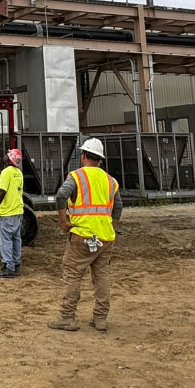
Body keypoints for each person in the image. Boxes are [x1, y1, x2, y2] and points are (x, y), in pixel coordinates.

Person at [48, 137, 122, 333]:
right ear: (100, 159)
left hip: (82, 235)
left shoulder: (77, 176)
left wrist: (64, 221)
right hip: (105, 237)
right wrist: (110, 225)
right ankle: (100, 319)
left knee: (72, 274)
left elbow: (61, 195)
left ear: (83, 156)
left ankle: (67, 317)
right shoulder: (110, 181)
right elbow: (118, 207)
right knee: (102, 276)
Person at [0, 147, 24, 279]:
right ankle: (16, 264)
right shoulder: (19, 172)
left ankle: (9, 267)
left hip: (7, 211)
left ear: (10, 159)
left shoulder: (6, 172)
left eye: (7, 155)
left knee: (5, 240)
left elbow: (2, 191)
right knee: (16, 239)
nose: (4, 157)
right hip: (18, 210)